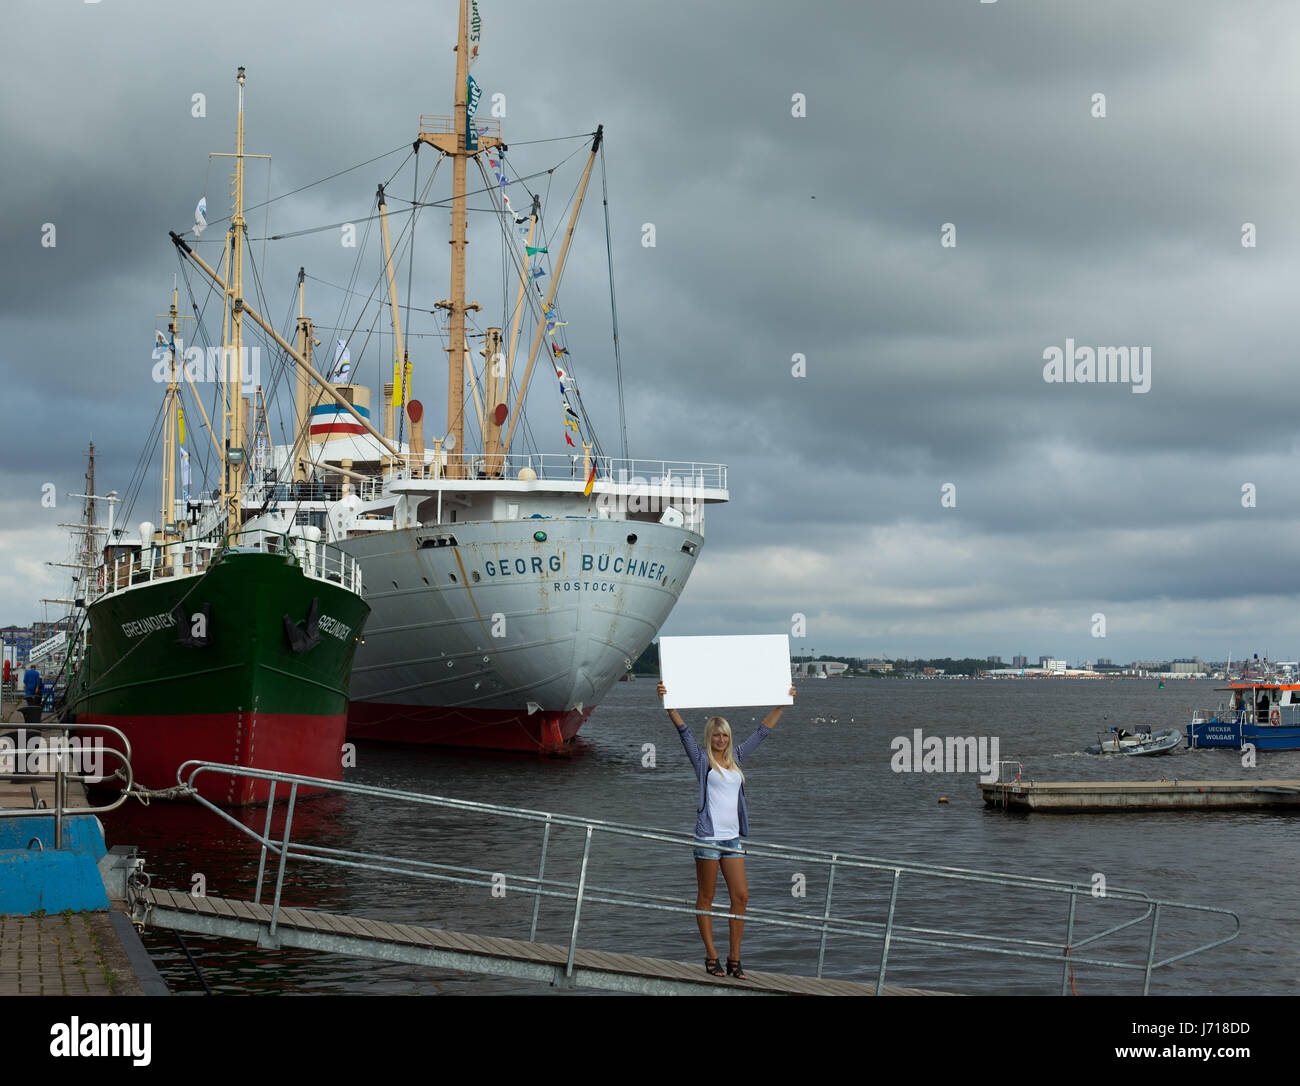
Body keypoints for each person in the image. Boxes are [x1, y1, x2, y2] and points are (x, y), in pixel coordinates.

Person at [656, 677, 795, 981]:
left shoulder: (736, 759)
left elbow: (762, 732)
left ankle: (735, 959)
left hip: (731, 839)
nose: (721, 740)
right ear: (710, 737)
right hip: (707, 838)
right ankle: (711, 956)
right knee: (706, 897)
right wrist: (669, 704)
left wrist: (781, 705)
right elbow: (684, 734)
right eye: (716, 735)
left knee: (741, 896)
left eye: (725, 735)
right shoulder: (703, 761)